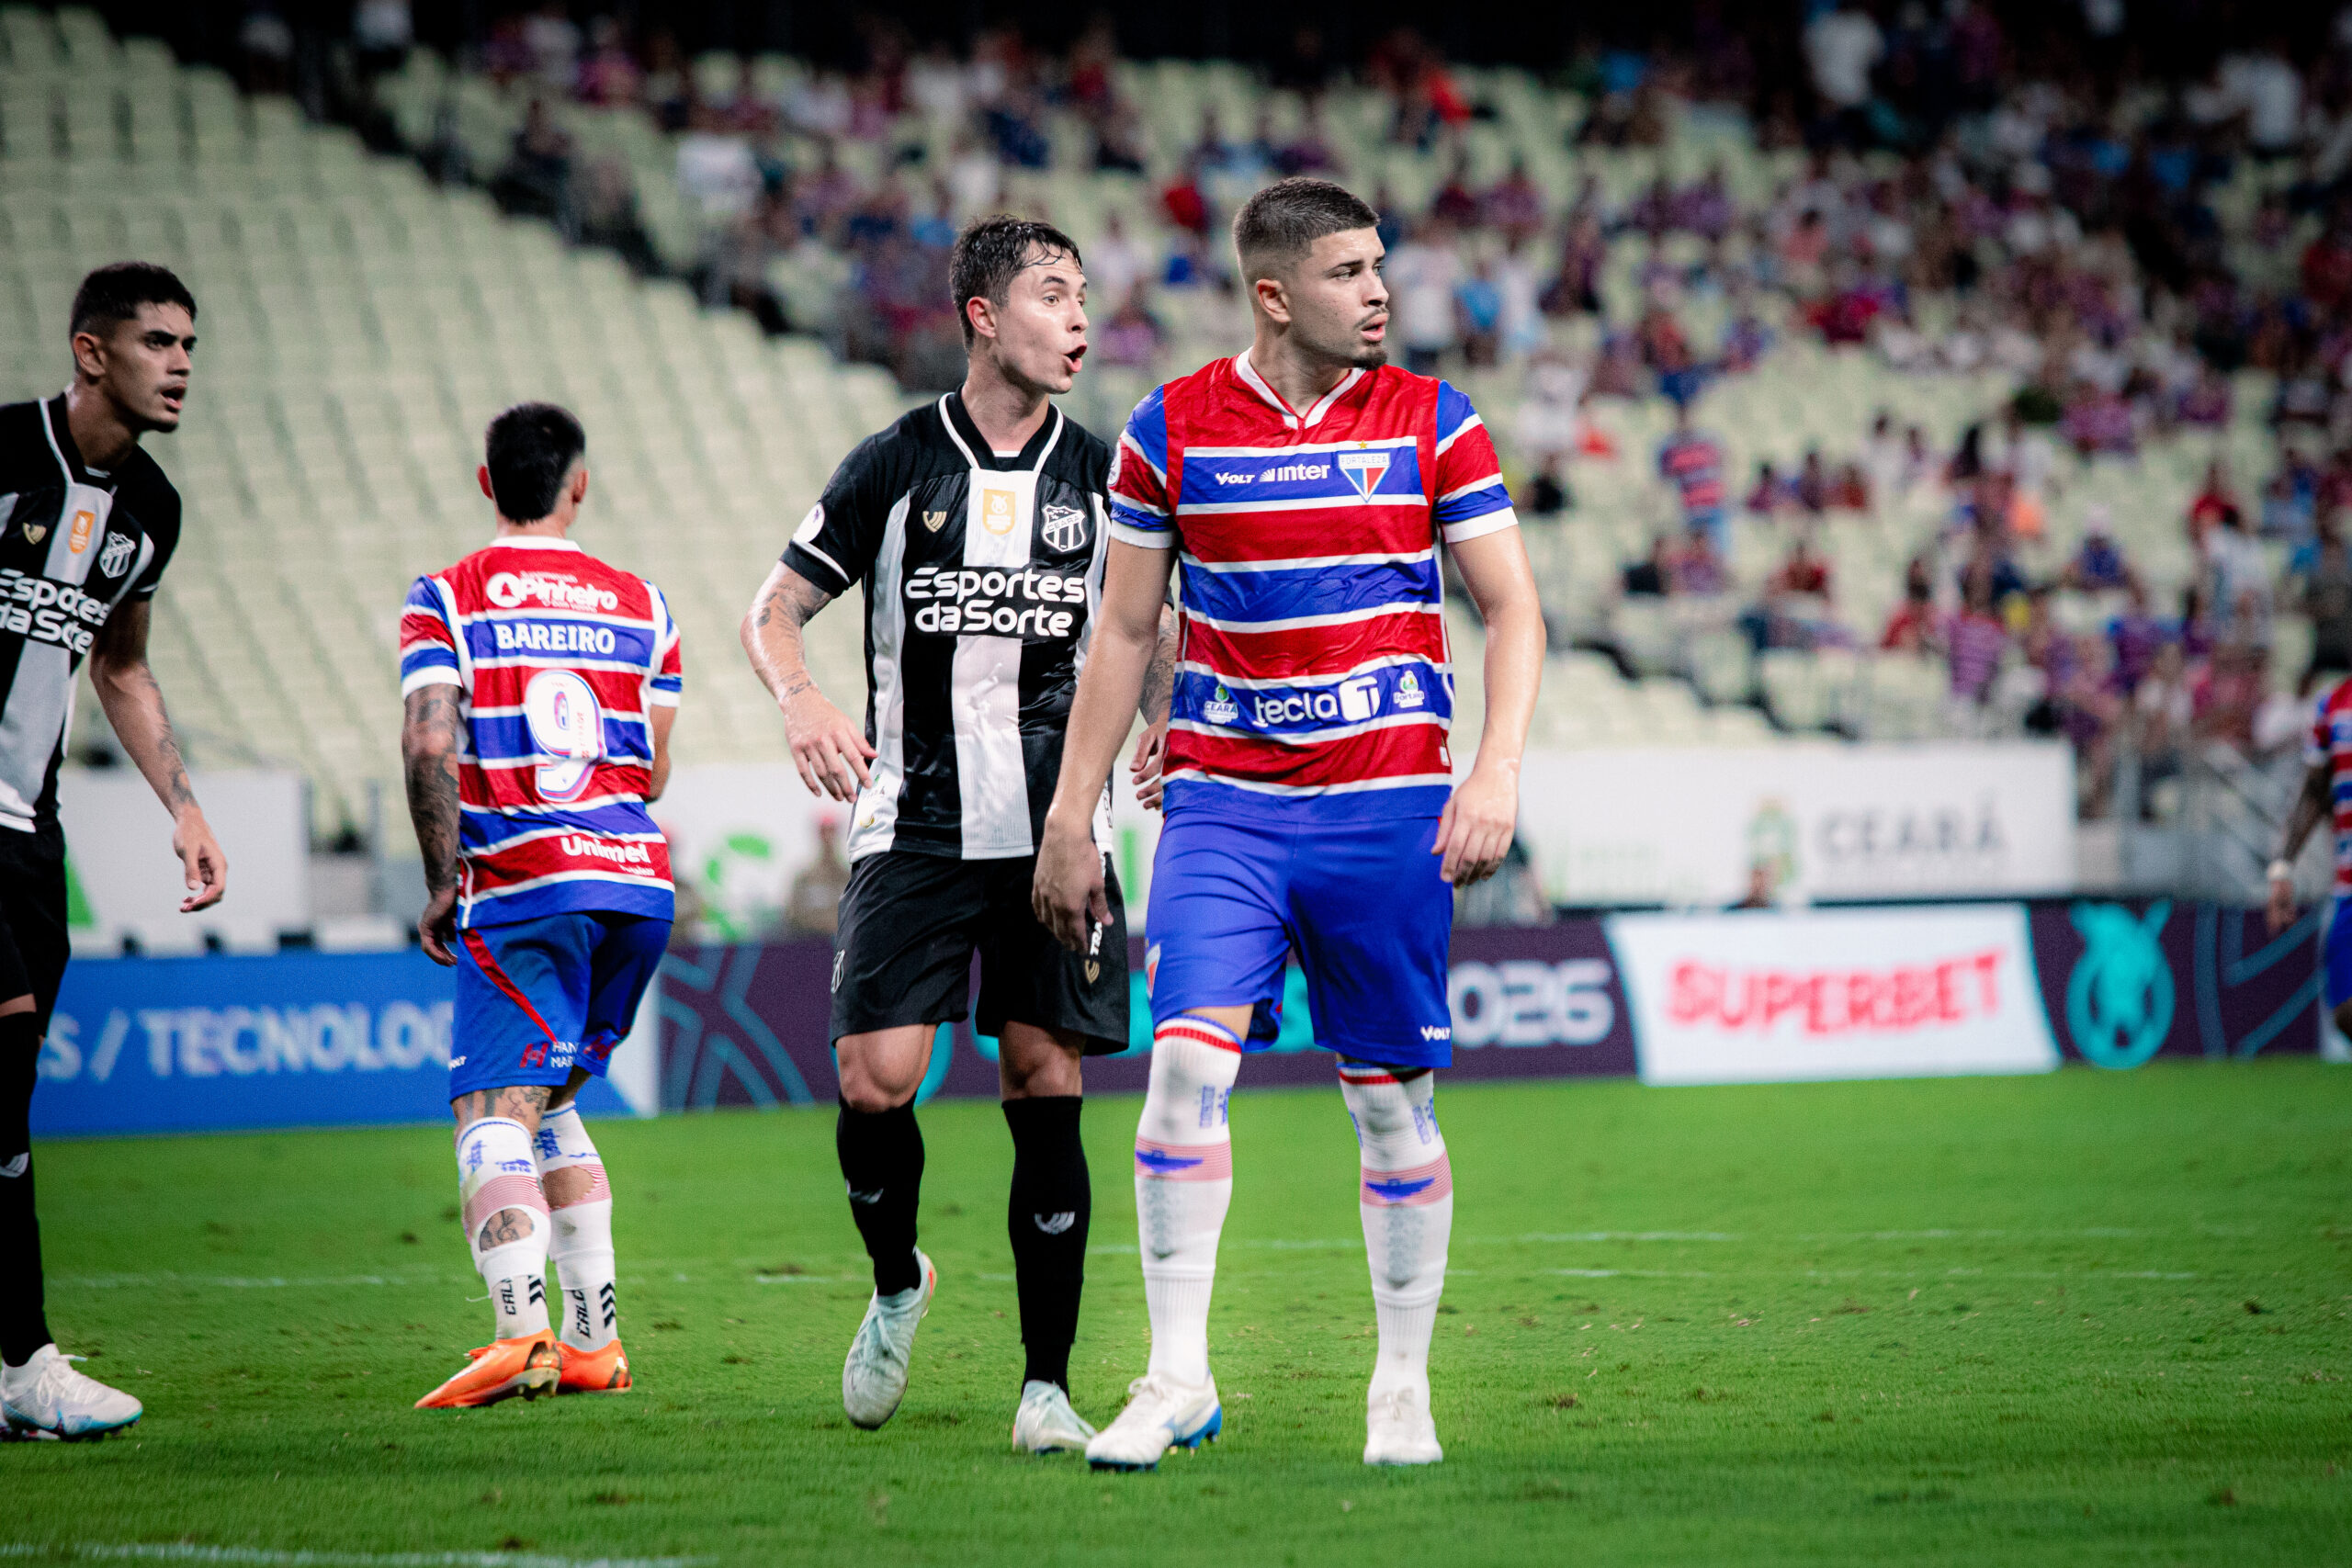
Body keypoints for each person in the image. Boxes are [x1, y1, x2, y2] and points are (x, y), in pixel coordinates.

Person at [1031, 177, 1543, 1471]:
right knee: (1182, 1074)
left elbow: (1512, 609)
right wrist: (1072, 812)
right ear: (1274, 293)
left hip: (1388, 808)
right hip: (1228, 807)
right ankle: (1176, 1377)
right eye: (1348, 272)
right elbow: (1126, 629)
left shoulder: (1435, 420)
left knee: (1388, 1107)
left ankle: (1400, 1389)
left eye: (1380, 267)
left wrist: (1494, 774)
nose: (1380, 292)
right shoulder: (1170, 427)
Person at [740, 217, 1169, 1454]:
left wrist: (1166, 720)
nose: (1078, 318)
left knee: (1046, 1078)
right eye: (1052, 294)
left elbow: (1149, 625)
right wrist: (802, 697)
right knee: (873, 1078)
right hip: (914, 821)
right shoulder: (894, 463)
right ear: (984, 316)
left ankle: (1046, 1388)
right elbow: (773, 609)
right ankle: (896, 1282)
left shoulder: (1107, 475)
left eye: (1084, 296)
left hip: (1058, 829)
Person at [398, 403, 682, 1409]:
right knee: (552, 1102)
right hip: (636, 887)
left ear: (487, 484)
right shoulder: (644, 605)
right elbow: (652, 771)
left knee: (491, 1112)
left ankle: (518, 1333)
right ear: (579, 485)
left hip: (526, 883)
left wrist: (443, 877)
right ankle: (594, 1343)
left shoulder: (447, 596)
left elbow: (430, 742)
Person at [0, 263, 227, 1440]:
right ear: (91, 352)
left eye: (189, 344)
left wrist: (182, 806)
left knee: (8, 1095)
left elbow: (120, 665)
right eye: (157, 342)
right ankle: (24, 1361)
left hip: (26, 835)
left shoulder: (151, 511)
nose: (180, 364)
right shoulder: (1, 455)